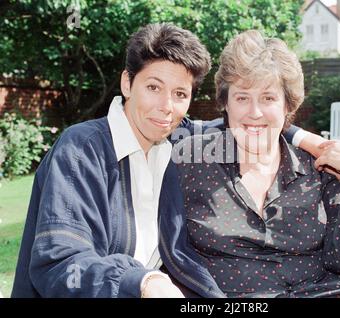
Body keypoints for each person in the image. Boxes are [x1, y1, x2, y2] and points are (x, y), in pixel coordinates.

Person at [11, 24, 323, 298]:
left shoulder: (181, 140)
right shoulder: (81, 150)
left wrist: (310, 140)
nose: (166, 107)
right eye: (153, 87)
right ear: (126, 83)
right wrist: (143, 282)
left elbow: (248, 122)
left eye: (180, 94)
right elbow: (61, 262)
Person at [163, 30, 340, 298]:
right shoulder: (191, 158)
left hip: (313, 290)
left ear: (288, 105)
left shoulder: (318, 168)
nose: (255, 112)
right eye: (242, 98)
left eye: (268, 98)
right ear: (225, 103)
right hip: (230, 296)